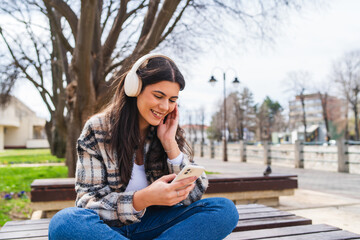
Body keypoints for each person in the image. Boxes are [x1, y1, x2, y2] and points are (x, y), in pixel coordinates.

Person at [49, 53, 239, 240]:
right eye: (158, 96)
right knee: (64, 222)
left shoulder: (166, 131)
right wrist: (143, 198)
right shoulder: (98, 129)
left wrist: (170, 144)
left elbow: (194, 194)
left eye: (172, 100)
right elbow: (86, 202)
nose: (165, 106)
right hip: (107, 229)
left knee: (224, 210)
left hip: (155, 225)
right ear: (134, 89)